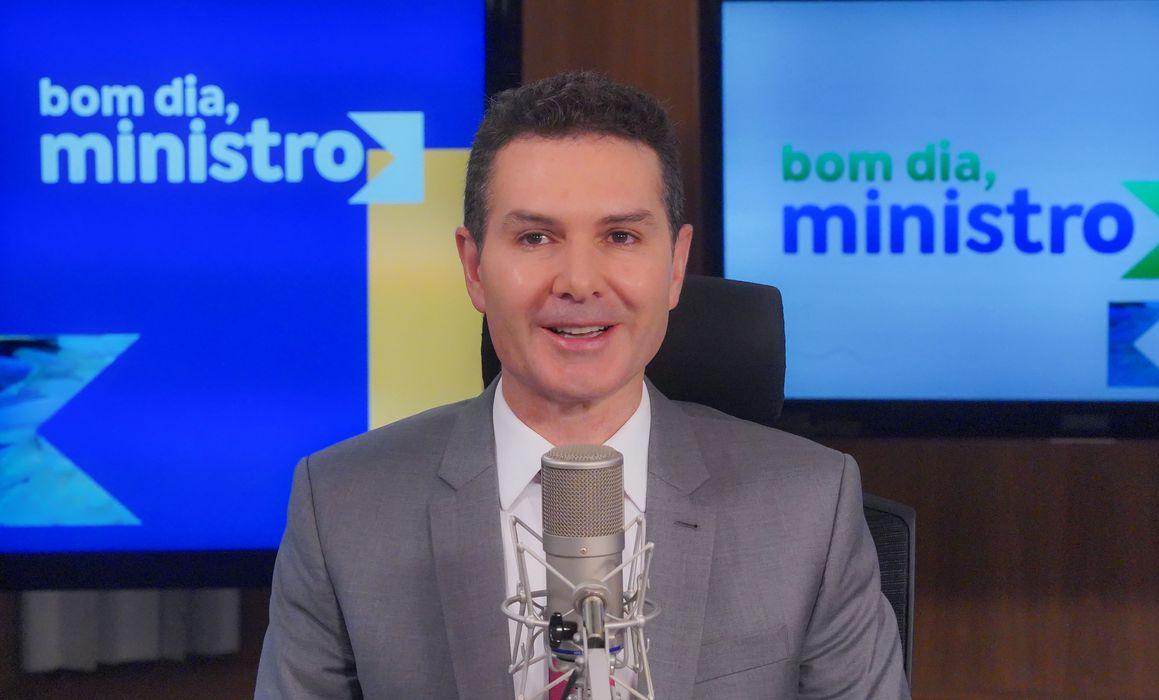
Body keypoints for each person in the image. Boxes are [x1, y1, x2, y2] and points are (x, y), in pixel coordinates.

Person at [255, 71, 909, 699]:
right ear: (475, 268)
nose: (578, 281)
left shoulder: (809, 508)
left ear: (675, 266)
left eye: (620, 236)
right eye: (536, 237)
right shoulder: (341, 509)